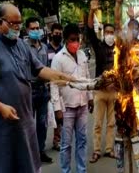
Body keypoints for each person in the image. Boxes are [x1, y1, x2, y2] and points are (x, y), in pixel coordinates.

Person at [0, 3, 74, 173]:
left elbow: (40, 69)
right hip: (1, 129)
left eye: (19, 23)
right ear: (0, 23)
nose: (18, 27)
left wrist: (64, 77)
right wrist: (1, 107)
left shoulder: (21, 45)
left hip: (25, 123)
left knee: (29, 166)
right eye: (13, 23)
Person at [51, 23, 93, 173]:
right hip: (67, 108)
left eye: (77, 39)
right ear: (65, 40)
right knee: (66, 144)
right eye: (72, 39)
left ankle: (82, 170)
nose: (76, 42)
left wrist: (90, 97)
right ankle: (66, 171)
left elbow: (87, 77)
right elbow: (54, 85)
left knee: (82, 141)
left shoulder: (82, 55)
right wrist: (57, 109)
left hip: (82, 106)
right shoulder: (58, 59)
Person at [86, 0, 117, 163]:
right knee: (97, 124)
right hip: (100, 91)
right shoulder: (99, 47)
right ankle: (97, 151)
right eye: (108, 33)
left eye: (112, 33)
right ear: (104, 34)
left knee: (112, 123)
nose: (110, 35)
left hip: (114, 92)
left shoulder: (119, 49)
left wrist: (118, 4)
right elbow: (90, 31)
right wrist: (92, 10)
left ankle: (109, 149)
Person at [24, 16, 53, 163]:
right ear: (27, 30)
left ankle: (40, 151)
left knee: (42, 123)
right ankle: (29, 153)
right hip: (29, 89)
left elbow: (46, 67)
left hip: (43, 90)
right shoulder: (22, 47)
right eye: (33, 29)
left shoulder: (44, 47)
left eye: (37, 28)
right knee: (28, 123)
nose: (36, 31)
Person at [47, 23, 64, 151]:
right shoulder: (46, 49)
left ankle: (57, 140)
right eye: (56, 33)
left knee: (60, 115)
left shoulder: (63, 50)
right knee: (48, 116)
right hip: (48, 86)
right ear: (51, 33)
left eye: (60, 33)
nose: (58, 35)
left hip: (61, 87)